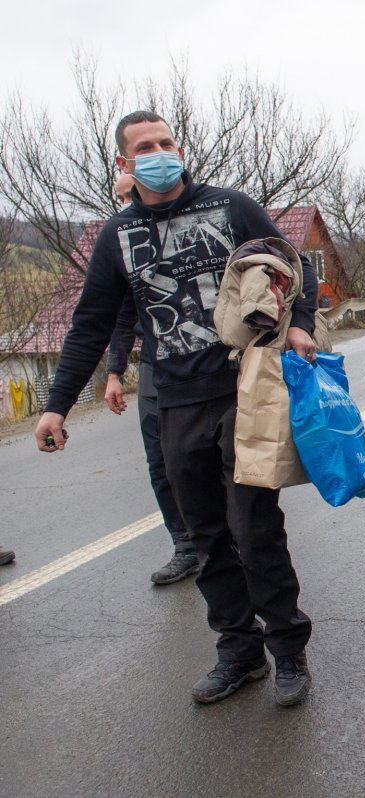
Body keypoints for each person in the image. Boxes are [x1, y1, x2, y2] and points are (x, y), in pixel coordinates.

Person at [34, 110, 318, 707]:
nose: (161, 151)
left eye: (167, 142)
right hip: (175, 401)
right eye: (146, 146)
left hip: (243, 391)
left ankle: (288, 651)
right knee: (207, 537)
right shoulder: (116, 236)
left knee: (254, 528)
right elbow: (89, 324)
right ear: (124, 163)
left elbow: (298, 268)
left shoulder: (232, 207)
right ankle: (238, 652)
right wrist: (57, 406)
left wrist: (301, 327)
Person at [104, 173, 199, 585]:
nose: (133, 203)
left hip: (206, 361)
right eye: (124, 198)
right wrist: (113, 372)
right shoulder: (123, 244)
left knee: (212, 456)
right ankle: (185, 545)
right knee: (161, 461)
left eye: (134, 195)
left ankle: (232, 536)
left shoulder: (194, 226)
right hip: (155, 368)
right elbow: (121, 317)